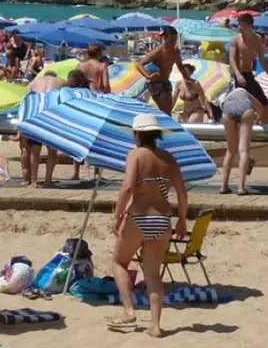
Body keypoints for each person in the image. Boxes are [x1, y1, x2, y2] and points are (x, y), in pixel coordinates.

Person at [108, 114, 188, 338]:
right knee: (153, 275)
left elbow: (127, 187)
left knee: (119, 263)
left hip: (139, 216)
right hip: (163, 220)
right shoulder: (169, 158)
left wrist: (117, 215)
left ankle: (129, 310)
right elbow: (182, 193)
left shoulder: (136, 154)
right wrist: (182, 219)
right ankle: (155, 325)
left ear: (137, 134)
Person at [22, 71, 65, 188]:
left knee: (35, 152)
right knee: (52, 151)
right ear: (54, 76)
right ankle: (48, 180)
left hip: (37, 114)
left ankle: (34, 181)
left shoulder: (34, 82)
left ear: (44, 75)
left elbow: (26, 101)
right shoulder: (61, 81)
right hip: (52, 115)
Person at [137, 26, 192, 116]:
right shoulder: (159, 51)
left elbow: (181, 67)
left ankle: (164, 126)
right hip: (155, 83)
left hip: (166, 82)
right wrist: (148, 76)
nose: (173, 43)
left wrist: (188, 79)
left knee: (168, 111)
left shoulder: (175, 51)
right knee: (165, 111)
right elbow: (139, 64)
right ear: (165, 38)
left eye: (175, 40)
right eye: (171, 40)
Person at [217, 87, 260, 195]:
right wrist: (257, 119)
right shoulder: (243, 91)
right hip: (245, 109)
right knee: (244, 149)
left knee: (231, 151)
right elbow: (260, 106)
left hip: (227, 112)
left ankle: (223, 186)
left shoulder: (228, 96)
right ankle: (241, 187)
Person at [229, 14, 268, 110]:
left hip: (249, 75)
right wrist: (238, 75)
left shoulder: (257, 39)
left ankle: (260, 123)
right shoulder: (236, 39)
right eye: (238, 25)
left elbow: (262, 59)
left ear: (249, 26)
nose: (239, 28)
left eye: (241, 25)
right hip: (238, 77)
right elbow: (232, 59)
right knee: (243, 106)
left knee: (264, 104)